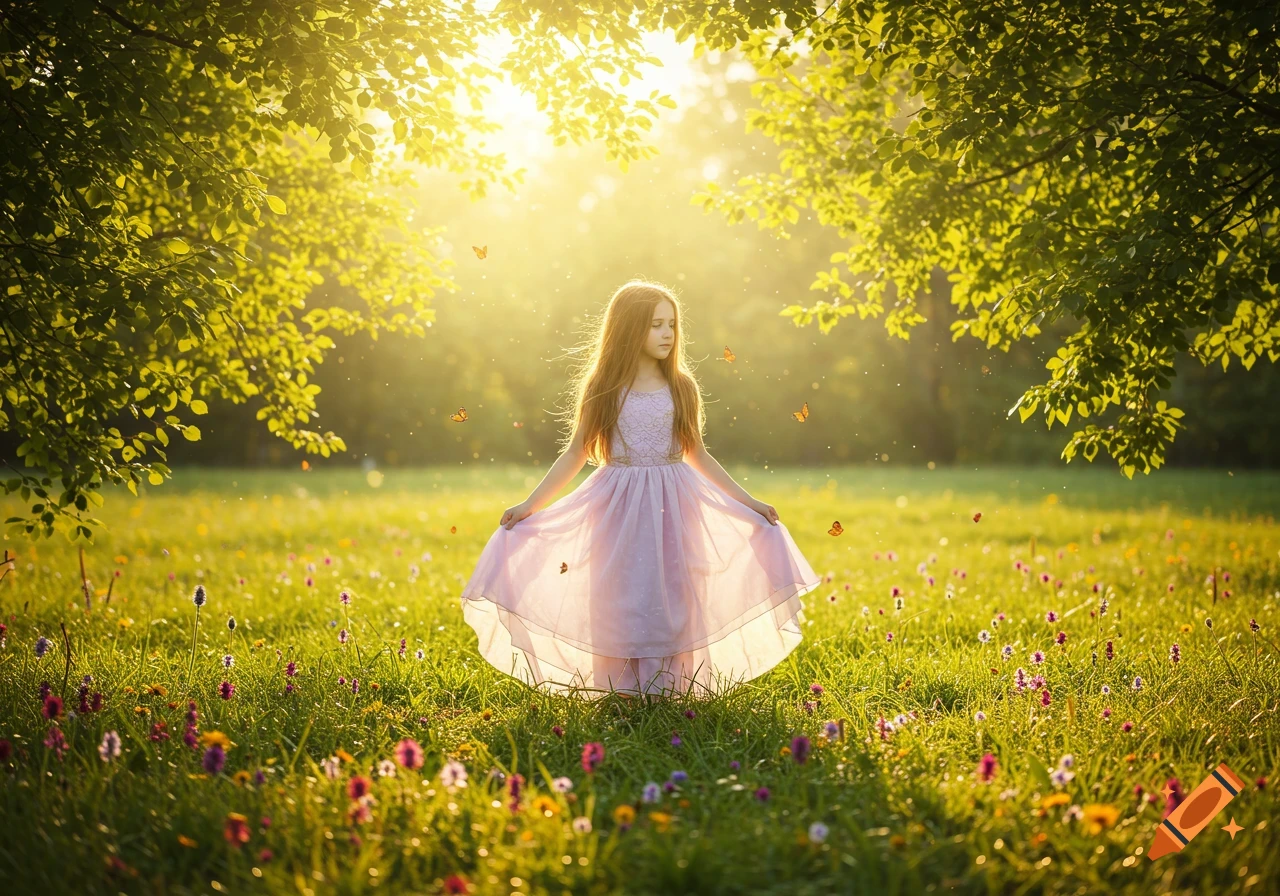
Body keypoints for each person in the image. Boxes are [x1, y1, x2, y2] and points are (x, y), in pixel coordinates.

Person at [460, 279, 822, 697]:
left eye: (671, 324)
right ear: (629, 328)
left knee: (676, 591)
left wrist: (749, 502)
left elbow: (697, 454)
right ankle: (619, 690)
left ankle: (673, 688)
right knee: (619, 593)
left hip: (677, 501)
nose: (667, 334)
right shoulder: (604, 387)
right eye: (655, 325)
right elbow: (576, 452)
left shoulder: (682, 386)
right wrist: (529, 504)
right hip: (617, 503)